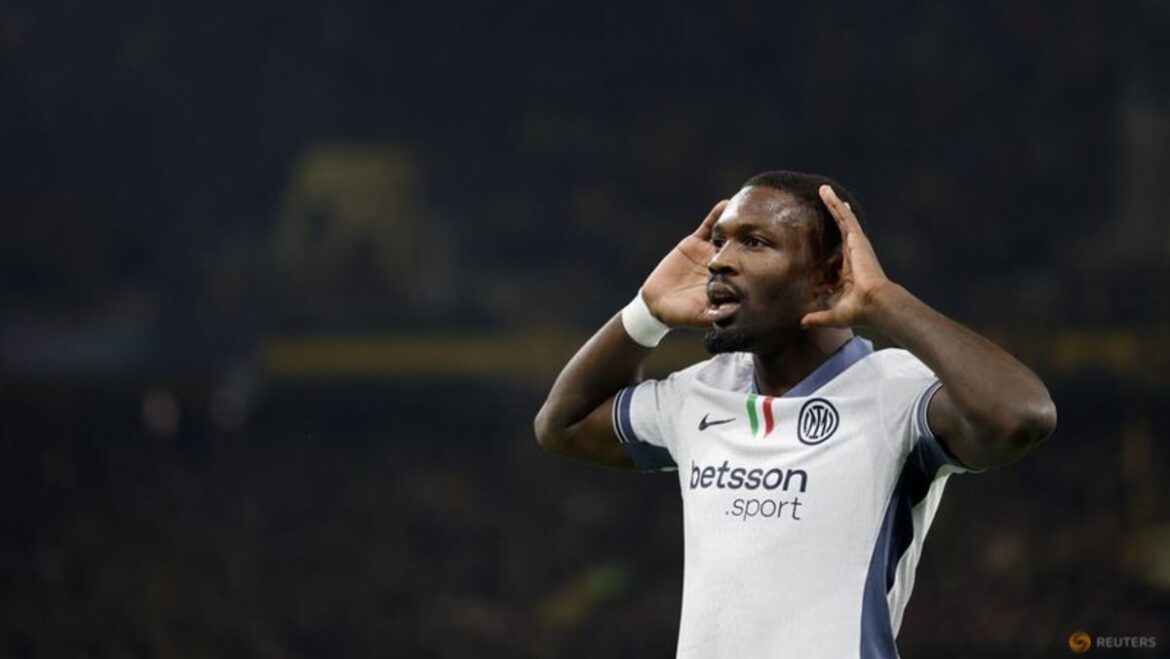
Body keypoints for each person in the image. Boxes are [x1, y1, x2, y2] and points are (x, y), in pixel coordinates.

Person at [533, 171, 1057, 658]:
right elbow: (562, 426)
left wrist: (883, 299)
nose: (719, 261)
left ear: (828, 275)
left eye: (754, 243)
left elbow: (1022, 416)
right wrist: (645, 314)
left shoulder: (895, 392)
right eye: (720, 241)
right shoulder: (700, 393)